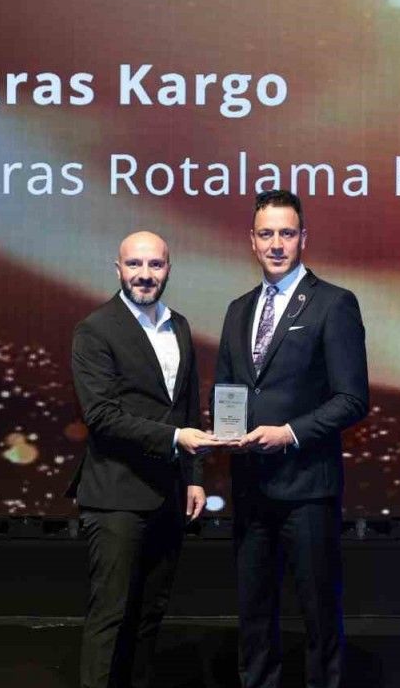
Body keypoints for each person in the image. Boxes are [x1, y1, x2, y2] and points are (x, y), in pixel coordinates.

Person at [214, 190, 369, 688]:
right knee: (254, 612)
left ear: (303, 238)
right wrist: (223, 434)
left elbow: (352, 399)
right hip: (250, 488)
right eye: (267, 234)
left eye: (286, 233)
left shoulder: (334, 303)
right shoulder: (238, 309)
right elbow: (228, 391)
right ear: (252, 241)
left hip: (308, 490)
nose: (276, 244)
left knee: (318, 613)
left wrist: (290, 433)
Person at [67, 231, 225, 688]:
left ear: (168, 269)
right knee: (111, 617)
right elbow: (101, 416)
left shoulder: (180, 326)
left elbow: (189, 410)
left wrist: (194, 478)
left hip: (169, 495)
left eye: (155, 265)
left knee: (150, 614)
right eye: (134, 264)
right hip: (116, 494)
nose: (144, 274)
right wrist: (176, 438)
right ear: (117, 269)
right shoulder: (95, 330)